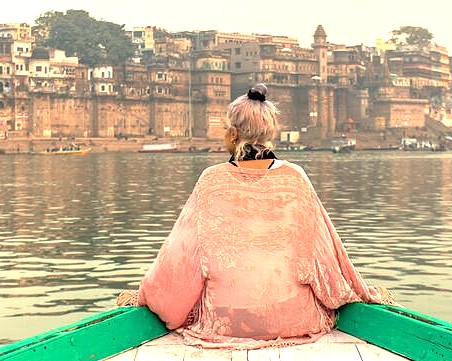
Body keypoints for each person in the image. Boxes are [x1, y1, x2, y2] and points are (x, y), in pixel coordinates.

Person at [117, 83, 396, 349]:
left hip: (227, 322)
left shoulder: (211, 180)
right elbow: (323, 257)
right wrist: (357, 291)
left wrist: (147, 296)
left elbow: (179, 258)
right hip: (293, 319)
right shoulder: (295, 178)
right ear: (270, 132)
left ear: (233, 133)